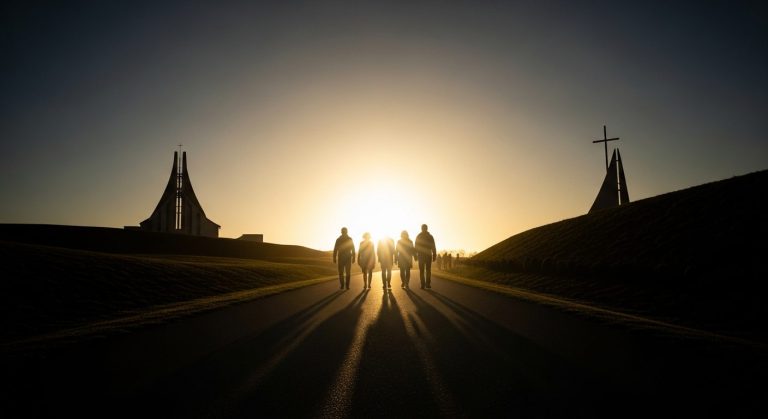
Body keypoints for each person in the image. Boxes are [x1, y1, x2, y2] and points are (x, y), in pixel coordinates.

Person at [415, 224, 437, 289]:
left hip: (422, 256)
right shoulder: (430, 236)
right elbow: (433, 246)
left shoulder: (419, 236)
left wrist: (415, 255)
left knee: (422, 270)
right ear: (426, 228)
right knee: (427, 270)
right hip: (427, 255)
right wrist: (434, 255)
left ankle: (423, 284)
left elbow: (416, 246)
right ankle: (427, 284)